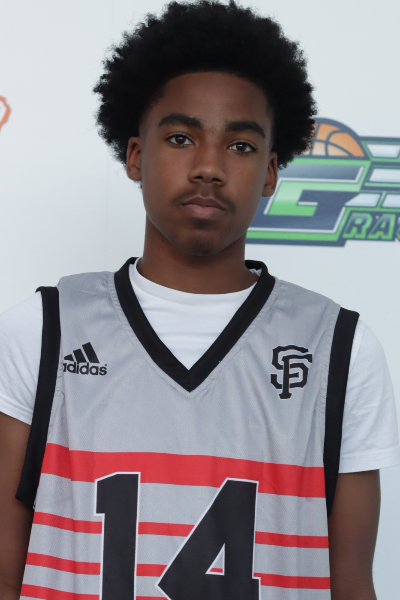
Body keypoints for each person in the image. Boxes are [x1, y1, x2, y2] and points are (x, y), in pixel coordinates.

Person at [0, 2, 398, 599]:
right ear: (136, 155)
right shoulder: (42, 330)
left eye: (241, 146)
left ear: (271, 174)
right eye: (182, 138)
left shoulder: (339, 348)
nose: (209, 167)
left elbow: (352, 588)